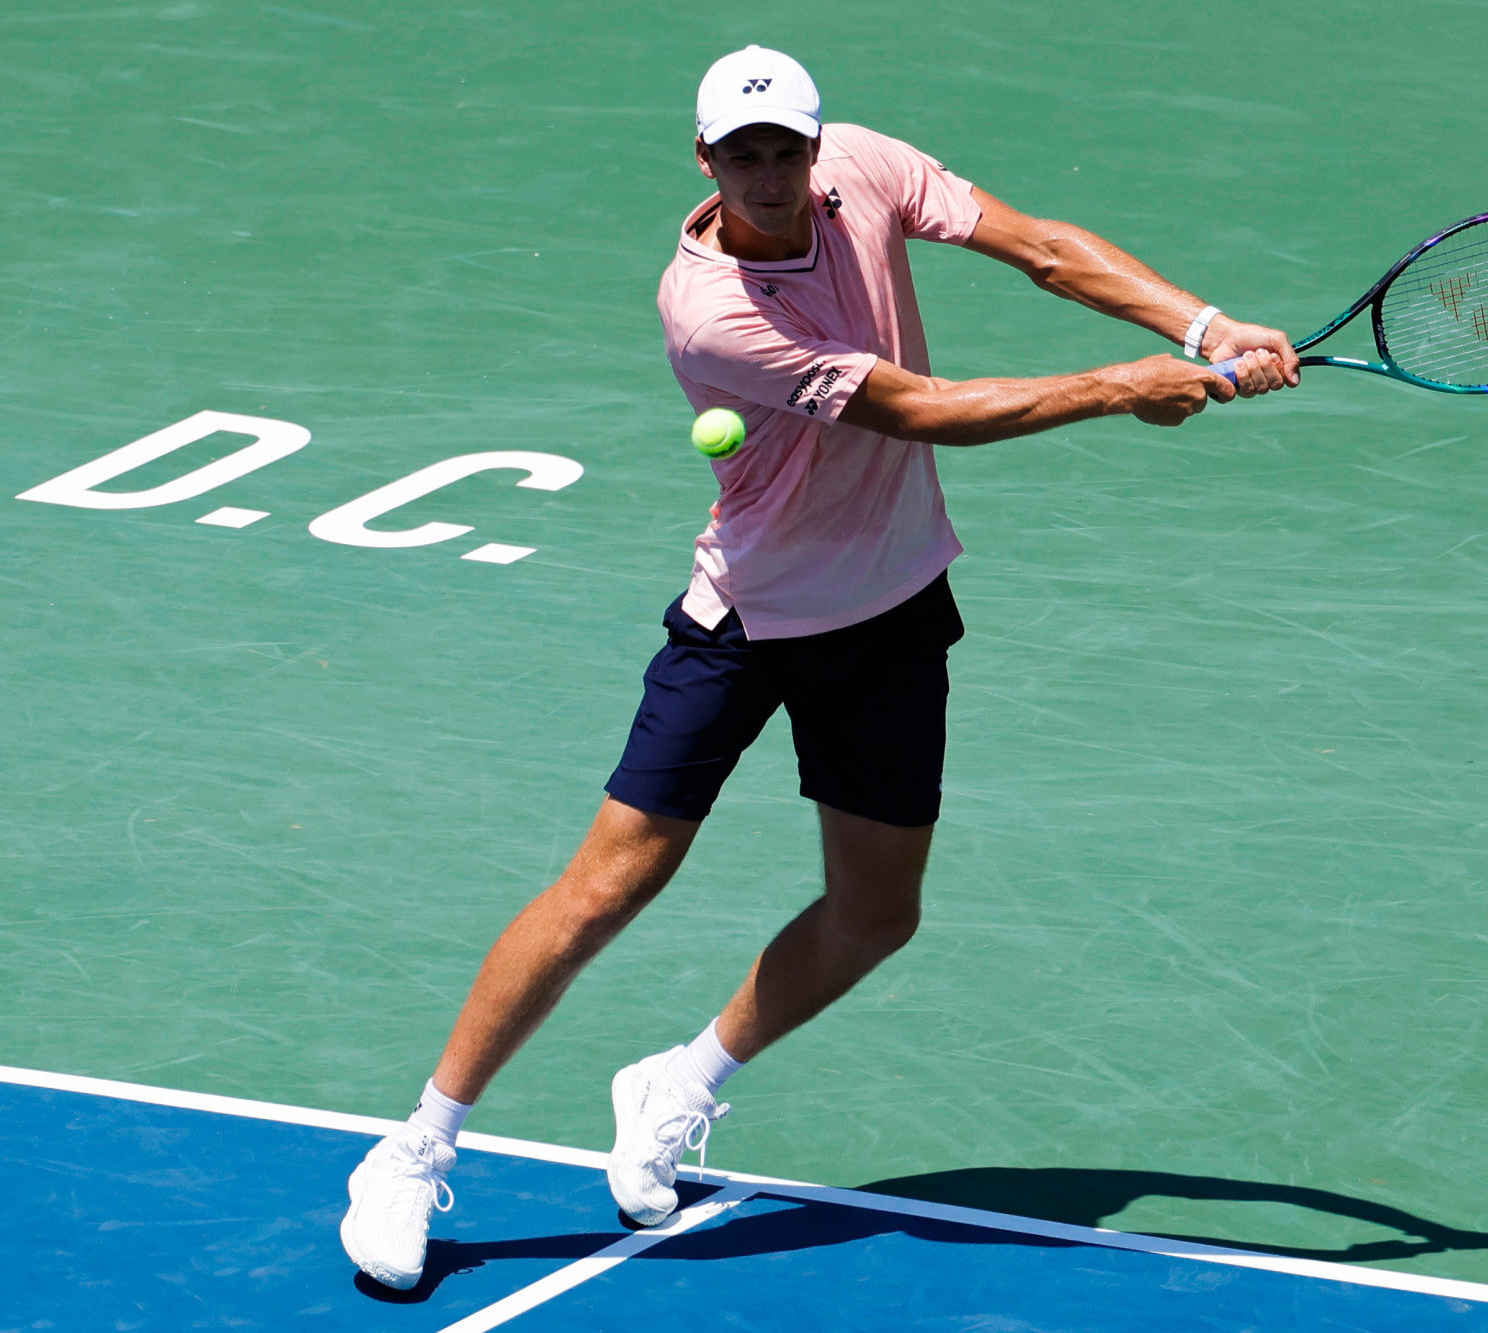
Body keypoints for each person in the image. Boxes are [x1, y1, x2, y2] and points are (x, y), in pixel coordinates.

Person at [338, 43, 1300, 1289]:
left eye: (784, 148)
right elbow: (919, 409)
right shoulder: (712, 310)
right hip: (749, 617)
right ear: (703, 159)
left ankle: (679, 1082)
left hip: (890, 606)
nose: (768, 173)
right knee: (607, 885)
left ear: (814, 146)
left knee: (875, 912)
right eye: (741, 153)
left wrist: (1202, 327)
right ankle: (414, 1148)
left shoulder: (866, 168)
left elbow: (1042, 249)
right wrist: (1121, 387)